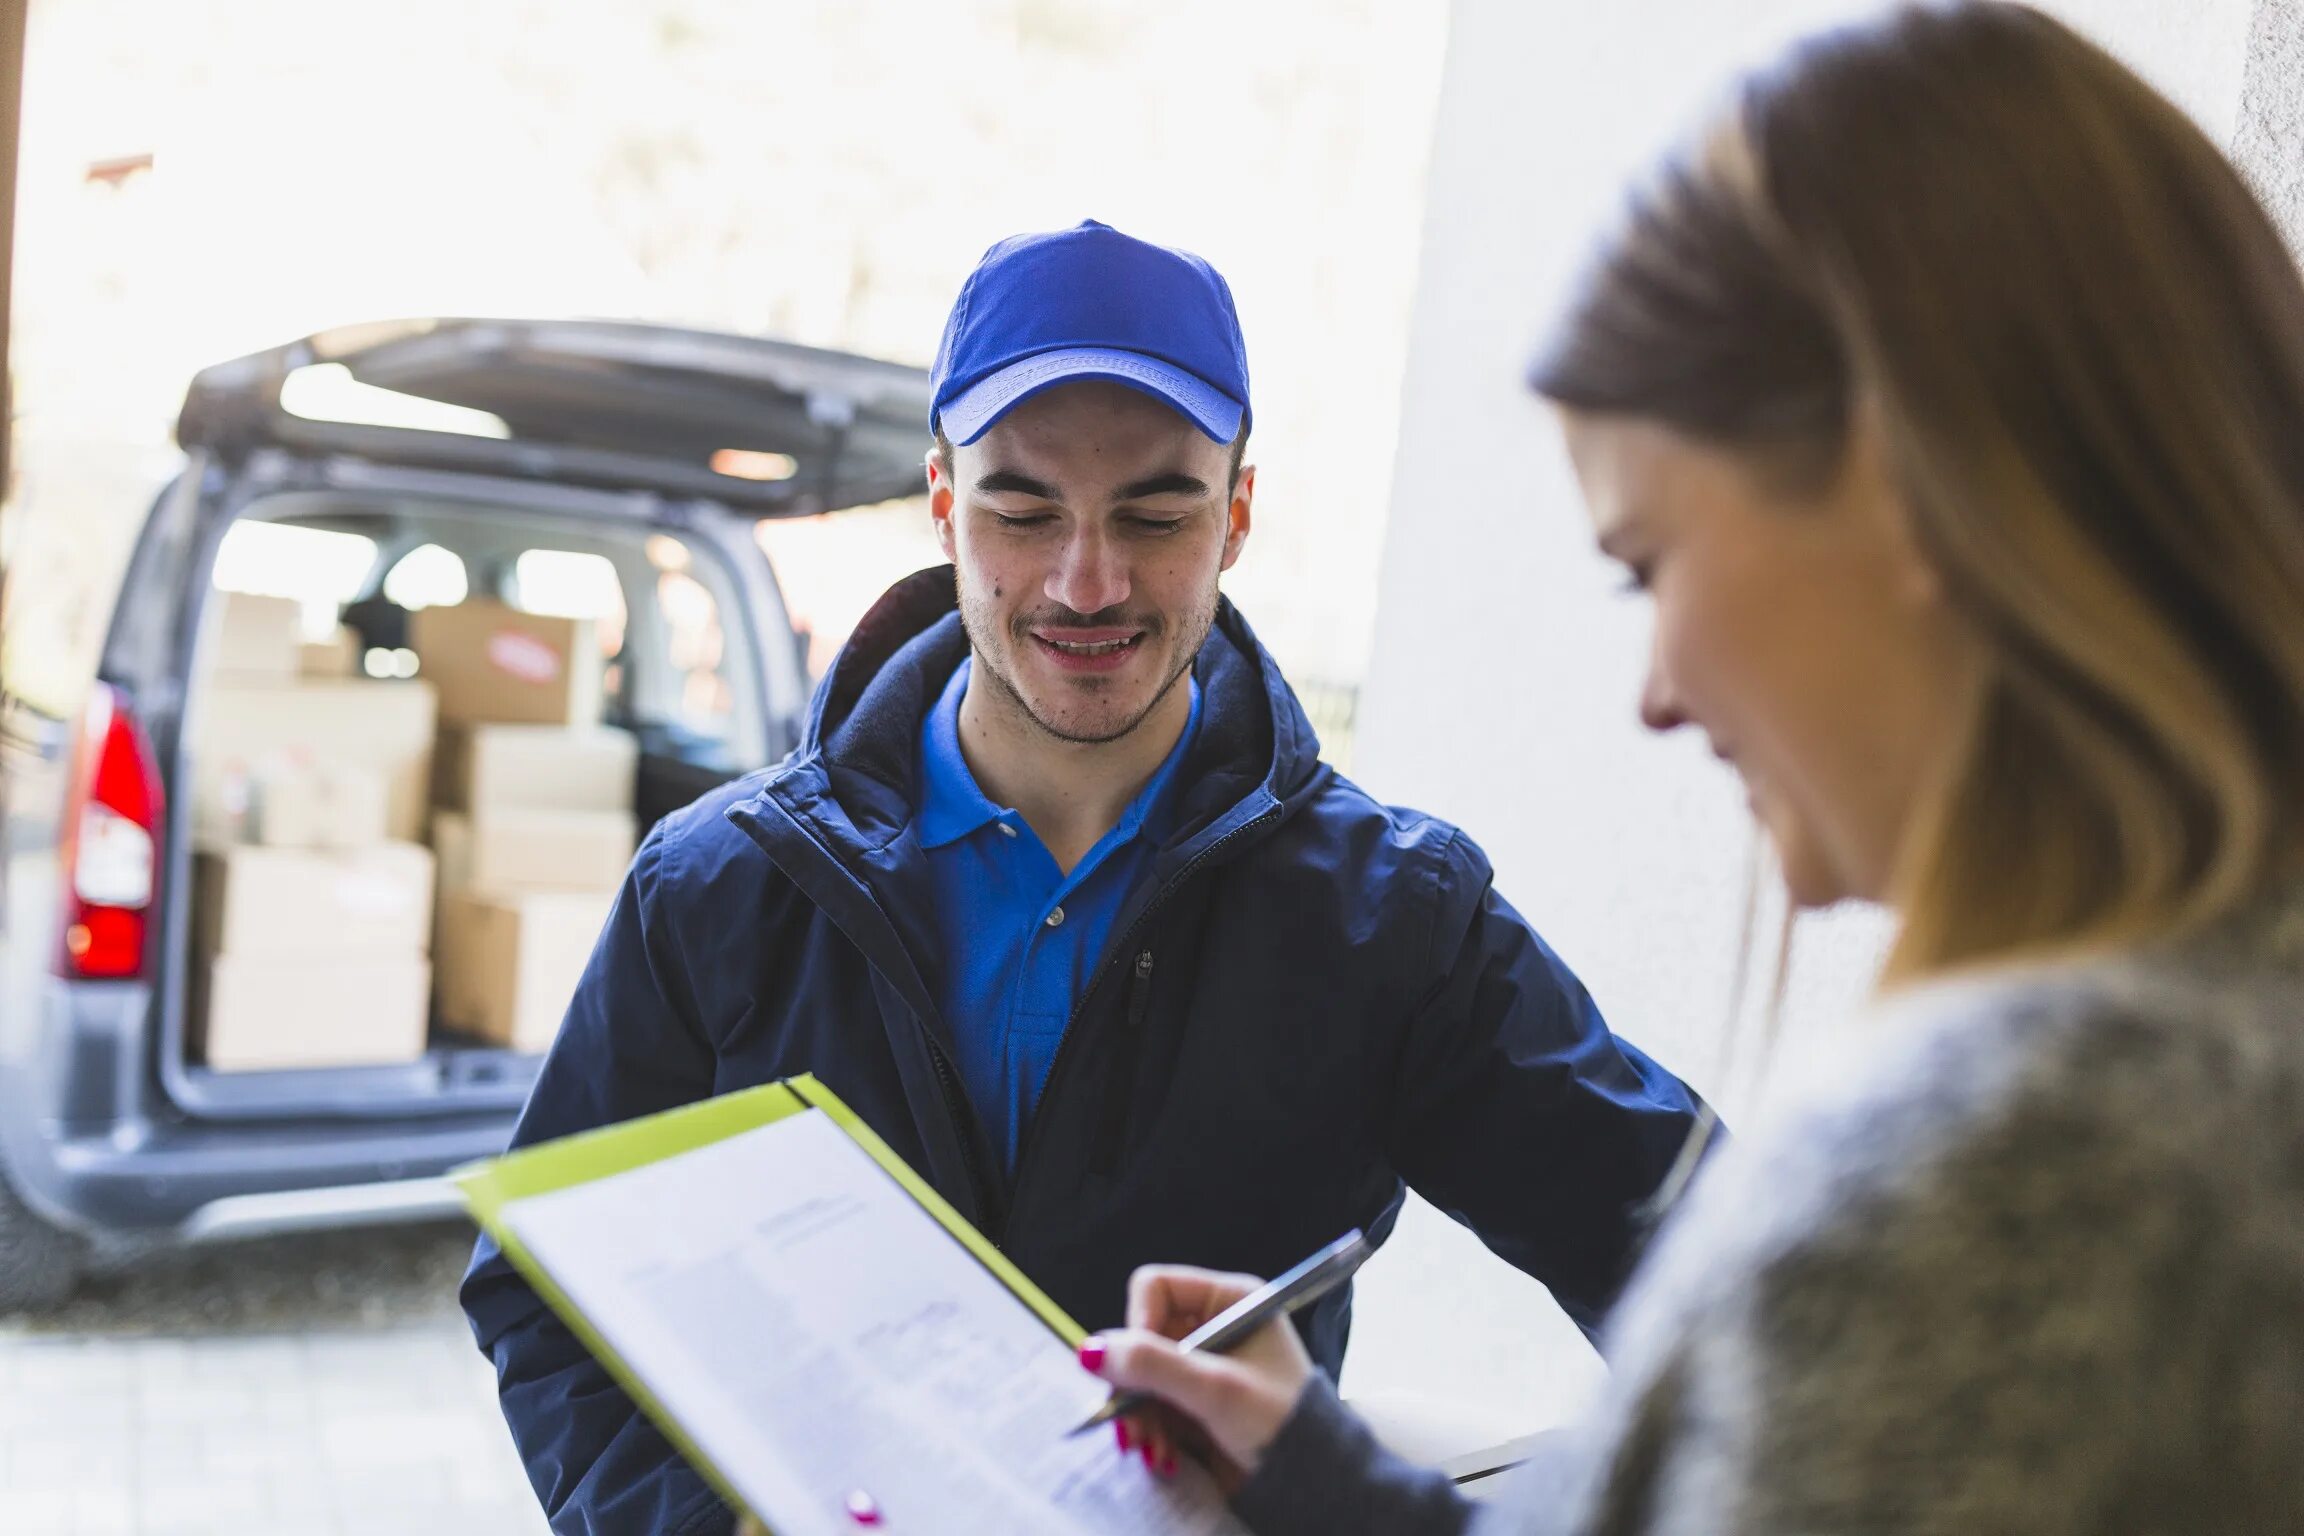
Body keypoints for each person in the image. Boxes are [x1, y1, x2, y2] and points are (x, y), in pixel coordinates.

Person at [1082, 5, 2304, 1531]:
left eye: (1650, 564)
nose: (1658, 696)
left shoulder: (2010, 1186)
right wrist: (1328, 1480)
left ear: (1907, 497)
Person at [460, 217, 1711, 1535]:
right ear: (942, 502)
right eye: (1022, 507)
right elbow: (550, 1298)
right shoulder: (715, 893)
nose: (1086, 579)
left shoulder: (1390, 923)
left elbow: (1704, 1265)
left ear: (1236, 516)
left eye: (1156, 511)